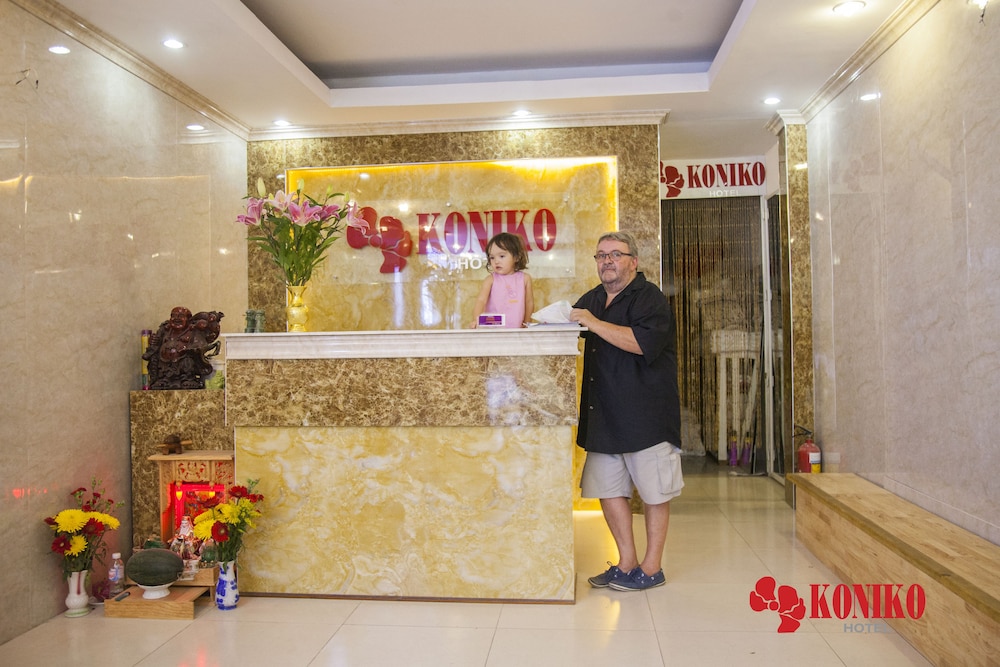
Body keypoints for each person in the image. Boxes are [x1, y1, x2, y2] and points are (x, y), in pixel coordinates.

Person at [569, 231, 683, 591]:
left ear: (633, 261)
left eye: (615, 254)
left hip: (646, 417)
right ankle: (626, 562)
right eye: (601, 255)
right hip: (604, 416)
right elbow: (569, 324)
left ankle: (652, 568)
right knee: (608, 489)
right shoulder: (593, 298)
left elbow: (639, 342)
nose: (607, 261)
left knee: (654, 493)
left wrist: (591, 322)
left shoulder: (650, 298)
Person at [471, 232, 534, 328]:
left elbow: (529, 303)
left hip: (517, 330)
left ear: (516, 257)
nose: (496, 261)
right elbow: (481, 301)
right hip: (493, 330)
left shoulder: (525, 279)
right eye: (492, 257)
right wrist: (476, 320)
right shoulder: (490, 279)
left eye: (501, 256)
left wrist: (526, 322)